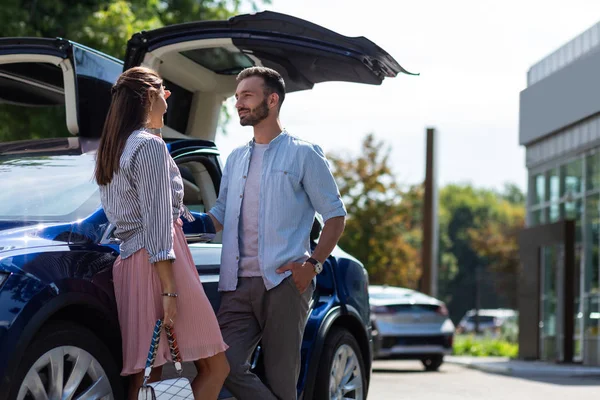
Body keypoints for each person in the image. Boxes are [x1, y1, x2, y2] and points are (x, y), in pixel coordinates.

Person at [208, 66, 346, 400]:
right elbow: (220, 215)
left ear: (272, 99)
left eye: (247, 96)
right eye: (237, 96)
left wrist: (311, 265)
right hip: (237, 284)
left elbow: (335, 216)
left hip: (284, 283)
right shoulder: (236, 157)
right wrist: (178, 222)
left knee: (282, 378)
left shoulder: (303, 153)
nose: (238, 103)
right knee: (222, 365)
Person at [95, 66, 229, 400]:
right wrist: (169, 291)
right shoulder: (149, 146)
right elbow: (157, 222)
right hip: (162, 266)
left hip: (131, 262)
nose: (168, 99)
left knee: (147, 373)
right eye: (163, 91)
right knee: (216, 367)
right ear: (149, 96)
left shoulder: (114, 148)